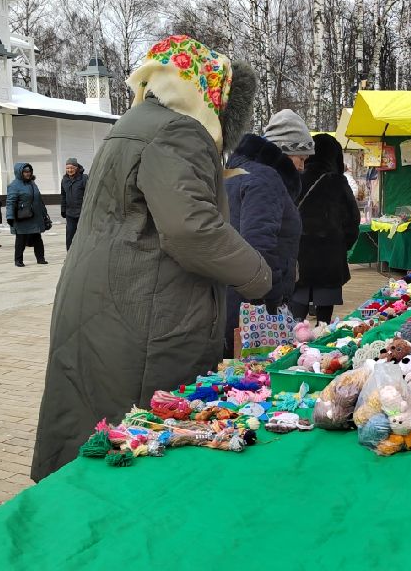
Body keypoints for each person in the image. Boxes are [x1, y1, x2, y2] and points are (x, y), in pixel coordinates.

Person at [31, 35, 271, 482]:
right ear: (205, 90)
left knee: (92, 425)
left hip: (104, 300)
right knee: (142, 437)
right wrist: (258, 275)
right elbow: (190, 228)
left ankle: (77, 520)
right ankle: (120, 534)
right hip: (145, 312)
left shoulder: (134, 121)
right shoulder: (180, 131)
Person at [222, 109, 310, 357]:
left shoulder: (237, 173)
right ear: (283, 150)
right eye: (300, 158)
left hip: (229, 294)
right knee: (254, 376)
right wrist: (273, 298)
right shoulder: (266, 179)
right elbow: (258, 244)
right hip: (254, 305)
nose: (302, 167)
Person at [291, 133, 361, 323]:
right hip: (329, 257)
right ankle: (321, 343)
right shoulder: (338, 183)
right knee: (324, 315)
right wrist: (340, 244)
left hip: (299, 254)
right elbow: (353, 220)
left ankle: (291, 343)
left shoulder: (295, 178)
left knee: (297, 304)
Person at [5, 163, 49, 267]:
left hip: (35, 216)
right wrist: (10, 216)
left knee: (37, 238)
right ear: (19, 172)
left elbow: (39, 200)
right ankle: (18, 260)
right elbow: (10, 202)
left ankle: (41, 259)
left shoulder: (32, 183)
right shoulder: (14, 185)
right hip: (22, 217)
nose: (28, 173)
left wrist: (44, 214)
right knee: (21, 239)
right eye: (25, 171)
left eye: (29, 171)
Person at [60, 157, 88, 250]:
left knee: (83, 235)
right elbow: (63, 196)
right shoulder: (64, 180)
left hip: (83, 213)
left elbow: (89, 195)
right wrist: (63, 210)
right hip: (70, 213)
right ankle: (69, 257)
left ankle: (82, 255)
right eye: (67, 168)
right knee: (70, 235)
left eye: (71, 168)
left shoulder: (84, 178)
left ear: (76, 168)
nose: (69, 170)